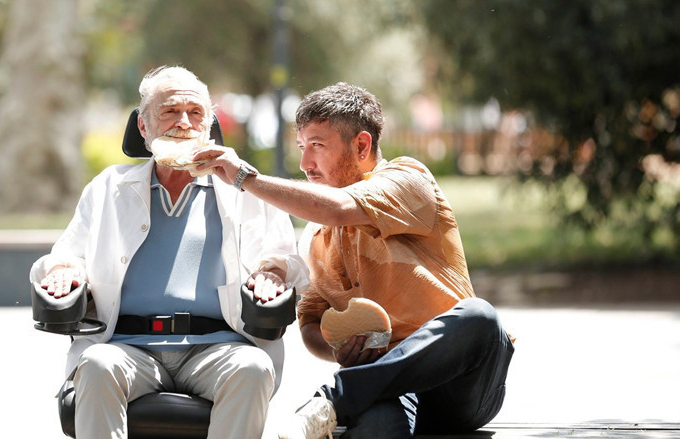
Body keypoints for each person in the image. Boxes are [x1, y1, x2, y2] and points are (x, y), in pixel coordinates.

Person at [194, 82, 515, 439]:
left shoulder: (408, 179)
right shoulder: (315, 237)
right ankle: (342, 400)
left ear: (361, 145)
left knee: (480, 318)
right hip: (386, 385)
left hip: (461, 384)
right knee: (377, 427)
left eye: (317, 146)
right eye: (301, 147)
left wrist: (244, 178)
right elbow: (310, 324)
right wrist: (339, 352)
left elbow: (337, 208)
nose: (304, 164)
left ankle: (334, 397)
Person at [28, 66, 309, 439]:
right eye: (169, 112)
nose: (184, 123)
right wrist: (65, 270)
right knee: (96, 365)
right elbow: (67, 255)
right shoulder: (109, 188)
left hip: (218, 345)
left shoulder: (246, 188)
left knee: (254, 368)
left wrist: (273, 273)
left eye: (196, 114)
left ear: (209, 126)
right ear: (143, 128)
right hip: (127, 346)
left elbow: (287, 260)